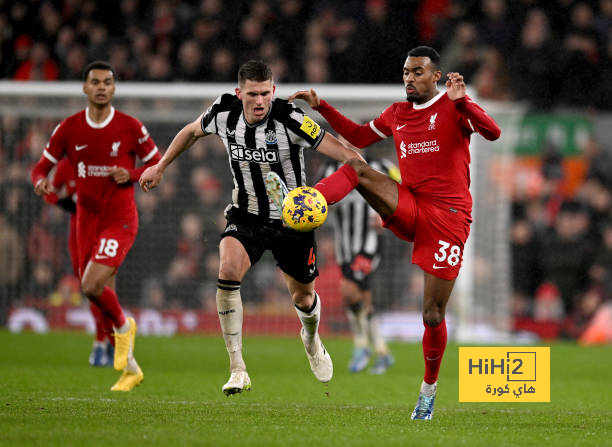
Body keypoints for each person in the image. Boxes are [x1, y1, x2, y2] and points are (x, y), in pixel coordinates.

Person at [289, 46, 501, 419]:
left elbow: (493, 132)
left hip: (448, 219)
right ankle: (310, 201)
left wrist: (464, 101)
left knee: (433, 315)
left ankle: (428, 391)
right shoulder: (397, 113)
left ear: (436, 76)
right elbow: (355, 134)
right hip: (410, 204)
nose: (409, 78)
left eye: (417, 72)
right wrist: (321, 106)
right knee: (356, 165)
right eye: (405, 71)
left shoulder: (454, 107)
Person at [139, 59, 362, 395]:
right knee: (228, 268)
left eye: (266, 94)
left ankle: (312, 339)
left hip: (293, 221)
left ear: (273, 91)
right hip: (247, 215)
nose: (260, 101)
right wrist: (161, 165)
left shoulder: (291, 118)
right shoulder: (223, 112)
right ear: (238, 93)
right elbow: (190, 131)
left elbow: (346, 155)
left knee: (303, 297)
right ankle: (237, 368)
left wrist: (324, 194)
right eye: (253, 94)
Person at [31, 61, 162, 391]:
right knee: (93, 287)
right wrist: (40, 183)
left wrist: (131, 175)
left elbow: (157, 165)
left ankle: (120, 328)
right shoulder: (69, 128)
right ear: (85, 88)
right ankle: (130, 368)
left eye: (107, 82)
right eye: (95, 82)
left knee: (91, 286)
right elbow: (39, 168)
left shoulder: (130, 126)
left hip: (119, 220)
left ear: (114, 88)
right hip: (85, 221)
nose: (102, 87)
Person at [321, 153, 397, 374]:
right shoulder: (329, 168)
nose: (345, 145)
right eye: (340, 140)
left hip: (369, 244)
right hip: (344, 246)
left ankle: (361, 345)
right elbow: (314, 200)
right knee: (362, 298)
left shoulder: (380, 164)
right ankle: (382, 351)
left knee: (348, 290)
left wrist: (390, 215)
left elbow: (405, 189)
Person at [44, 157, 115, 367]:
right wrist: (63, 202)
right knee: (89, 288)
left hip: (105, 228)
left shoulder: (106, 161)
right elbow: (50, 192)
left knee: (103, 286)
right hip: (79, 232)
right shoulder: (67, 165)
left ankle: (103, 342)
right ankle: (106, 341)